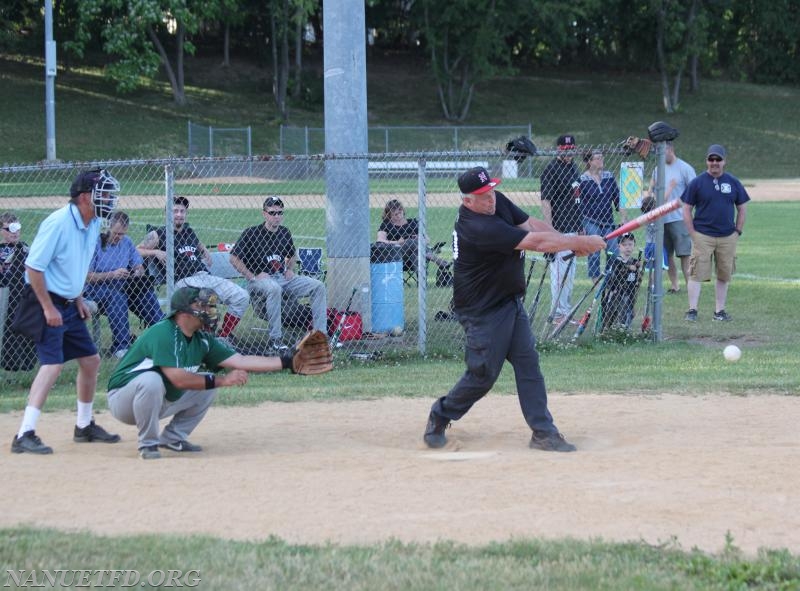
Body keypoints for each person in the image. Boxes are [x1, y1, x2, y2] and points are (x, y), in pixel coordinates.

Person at [422, 166, 605, 452]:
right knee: (483, 375)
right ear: (467, 201)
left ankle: (543, 432)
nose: (491, 198)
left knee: (528, 364)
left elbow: (531, 225)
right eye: (483, 196)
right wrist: (577, 242)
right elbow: (532, 242)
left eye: (491, 190)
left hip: (508, 301)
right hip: (482, 312)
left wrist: (567, 243)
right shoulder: (476, 226)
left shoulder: (496, 203)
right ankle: (441, 413)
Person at [106, 287, 314, 459]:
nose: (210, 310)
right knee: (152, 380)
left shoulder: (201, 339)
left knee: (206, 382)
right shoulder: (163, 332)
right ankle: (148, 445)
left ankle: (172, 438)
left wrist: (288, 362)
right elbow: (177, 379)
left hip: (158, 399)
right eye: (202, 306)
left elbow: (241, 360)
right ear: (184, 311)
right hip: (124, 399)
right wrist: (224, 380)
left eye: (210, 306)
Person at [10, 169, 122, 454]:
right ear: (86, 197)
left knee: (91, 360)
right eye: (104, 194)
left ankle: (84, 426)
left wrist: (79, 297)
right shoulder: (58, 222)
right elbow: (33, 268)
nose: (110, 200)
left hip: (69, 302)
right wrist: (48, 307)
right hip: (43, 300)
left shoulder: (93, 222)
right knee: (52, 364)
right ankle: (24, 433)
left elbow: (76, 264)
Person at [137, 196, 249, 340]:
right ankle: (207, 339)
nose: (179, 214)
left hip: (204, 276)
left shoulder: (189, 232)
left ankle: (222, 336)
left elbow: (197, 244)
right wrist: (155, 252)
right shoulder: (157, 234)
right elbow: (136, 251)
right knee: (208, 296)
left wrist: (204, 250)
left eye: (182, 211)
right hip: (183, 281)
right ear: (166, 214)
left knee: (242, 296)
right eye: (175, 211)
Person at [229, 196, 327, 351]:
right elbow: (233, 258)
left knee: (318, 286)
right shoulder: (252, 233)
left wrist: (289, 269)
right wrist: (252, 276)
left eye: (280, 213)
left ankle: (320, 335)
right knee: (274, 288)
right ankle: (276, 340)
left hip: (282, 277)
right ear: (264, 214)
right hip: (258, 281)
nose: (276, 217)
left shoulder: (284, 232)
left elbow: (292, 254)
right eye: (272, 213)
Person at [681, 144, 749, 322]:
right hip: (703, 235)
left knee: (723, 274)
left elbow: (742, 208)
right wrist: (693, 233)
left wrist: (737, 232)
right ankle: (692, 310)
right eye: (711, 159)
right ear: (706, 161)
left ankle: (719, 312)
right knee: (696, 273)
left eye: (718, 159)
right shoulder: (697, 182)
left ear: (724, 161)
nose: (714, 162)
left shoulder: (733, 182)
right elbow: (686, 209)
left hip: (728, 236)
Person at [84, 211, 165, 358]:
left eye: (122, 234)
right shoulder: (95, 243)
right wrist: (112, 274)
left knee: (145, 292)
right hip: (96, 289)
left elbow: (138, 265)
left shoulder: (126, 242)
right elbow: (86, 277)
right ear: (108, 227)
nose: (118, 237)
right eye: (115, 233)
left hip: (122, 285)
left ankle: (163, 334)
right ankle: (121, 346)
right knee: (117, 295)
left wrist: (137, 272)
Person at [540, 134, 583, 324]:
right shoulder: (551, 170)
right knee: (559, 275)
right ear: (558, 149)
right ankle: (558, 313)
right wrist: (549, 230)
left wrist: (580, 225)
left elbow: (576, 199)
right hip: (559, 229)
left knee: (569, 275)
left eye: (571, 149)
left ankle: (565, 312)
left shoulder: (573, 167)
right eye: (565, 150)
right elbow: (546, 200)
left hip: (574, 227)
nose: (569, 153)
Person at [647, 141, 696, 293]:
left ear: (670, 150)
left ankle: (690, 286)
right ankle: (675, 285)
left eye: (662, 151)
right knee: (667, 255)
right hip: (662, 219)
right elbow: (652, 191)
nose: (660, 155)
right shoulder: (658, 169)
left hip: (679, 218)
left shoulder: (685, 168)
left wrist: (689, 211)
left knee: (684, 254)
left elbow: (695, 191)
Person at [578, 149, 627, 280]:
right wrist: (580, 226)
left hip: (608, 220)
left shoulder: (609, 177)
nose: (601, 160)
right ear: (589, 161)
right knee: (594, 251)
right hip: (590, 220)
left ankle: (609, 277)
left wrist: (623, 218)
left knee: (614, 251)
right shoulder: (582, 180)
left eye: (602, 157)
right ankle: (595, 279)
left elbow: (618, 199)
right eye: (597, 158)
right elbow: (578, 205)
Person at [0, 212, 37, 371]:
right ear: (2, 231)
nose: (14, 232)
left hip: (22, 294)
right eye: (10, 229)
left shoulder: (25, 248)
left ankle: (25, 361)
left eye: (17, 228)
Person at [376, 199, 450, 275]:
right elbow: (380, 241)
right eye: (395, 214)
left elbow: (427, 240)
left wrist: (420, 238)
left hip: (415, 255)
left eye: (400, 212)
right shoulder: (386, 225)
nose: (399, 215)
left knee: (416, 253)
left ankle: (421, 281)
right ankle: (434, 258)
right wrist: (397, 242)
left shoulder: (413, 222)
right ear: (389, 215)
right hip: (398, 254)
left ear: (403, 211)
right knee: (410, 241)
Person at [600, 232, 642, 332]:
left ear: (634, 245)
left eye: (630, 244)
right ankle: (608, 329)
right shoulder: (617, 260)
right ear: (619, 246)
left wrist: (639, 269)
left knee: (629, 312)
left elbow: (638, 277)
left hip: (630, 292)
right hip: (617, 293)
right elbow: (618, 270)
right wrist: (628, 267)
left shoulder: (635, 261)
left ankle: (624, 329)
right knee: (614, 312)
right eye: (625, 245)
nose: (628, 247)